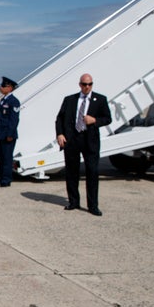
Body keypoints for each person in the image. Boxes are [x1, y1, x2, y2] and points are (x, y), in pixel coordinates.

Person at [55, 73, 112, 216]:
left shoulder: (100, 99)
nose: (87, 87)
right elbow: (59, 118)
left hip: (90, 140)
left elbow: (107, 118)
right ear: (80, 85)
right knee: (72, 172)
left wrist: (94, 120)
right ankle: (73, 201)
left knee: (92, 172)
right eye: (84, 84)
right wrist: (60, 134)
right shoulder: (70, 100)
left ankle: (93, 205)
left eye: (90, 84)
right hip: (72, 140)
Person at [0, 76, 20, 187]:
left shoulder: (14, 101)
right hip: (1, 133)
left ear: (10, 88)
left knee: (7, 158)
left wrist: (10, 134)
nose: (1, 87)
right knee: (2, 158)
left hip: (8, 135)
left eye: (3, 86)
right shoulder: (3, 100)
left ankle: (6, 180)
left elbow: (14, 120)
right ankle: (1, 178)